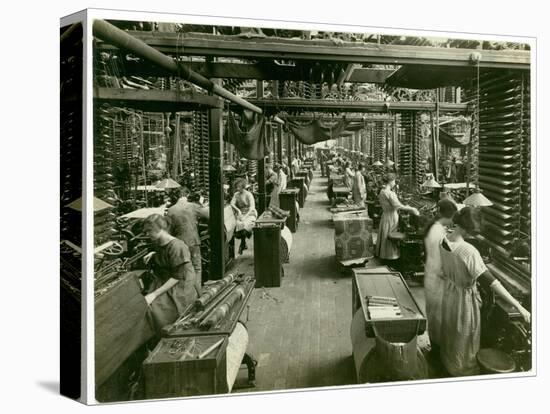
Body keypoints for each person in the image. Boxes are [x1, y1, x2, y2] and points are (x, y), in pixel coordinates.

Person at [438, 207, 530, 376]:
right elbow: (492, 283)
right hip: (463, 302)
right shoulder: (468, 251)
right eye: (474, 231)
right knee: (465, 339)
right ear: (469, 228)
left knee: (452, 333)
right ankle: (463, 372)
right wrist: (519, 306)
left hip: (450, 294)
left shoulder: (443, 240)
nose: (474, 235)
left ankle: (449, 364)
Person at [142, 214, 198, 331]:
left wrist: (154, 294)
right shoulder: (159, 242)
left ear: (161, 228)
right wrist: (154, 254)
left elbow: (177, 277)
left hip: (180, 285)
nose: (147, 234)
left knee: (154, 310)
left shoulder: (177, 247)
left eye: (149, 231)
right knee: (142, 301)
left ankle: (160, 336)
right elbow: (165, 253)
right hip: (166, 279)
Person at [423, 199, 458, 354]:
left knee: (434, 316)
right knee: (438, 317)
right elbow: (440, 260)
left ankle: (436, 348)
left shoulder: (435, 227)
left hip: (431, 274)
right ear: (450, 216)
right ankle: (437, 353)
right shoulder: (438, 232)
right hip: (436, 277)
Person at [166, 187, 209, 292]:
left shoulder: (171, 210)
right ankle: (198, 294)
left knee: (182, 270)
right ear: (187, 195)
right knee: (197, 268)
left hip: (179, 245)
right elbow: (209, 215)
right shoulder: (193, 206)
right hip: (193, 242)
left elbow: (168, 231)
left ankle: (186, 294)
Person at [375, 173, 419, 262]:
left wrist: (405, 205)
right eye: (394, 181)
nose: (394, 183)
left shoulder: (382, 191)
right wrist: (412, 209)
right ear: (391, 181)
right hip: (391, 216)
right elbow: (398, 206)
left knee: (385, 234)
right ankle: (390, 257)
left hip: (386, 215)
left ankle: (384, 255)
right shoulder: (389, 193)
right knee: (389, 235)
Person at [230, 178, 257, 254]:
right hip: (241, 213)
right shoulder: (236, 194)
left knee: (246, 225)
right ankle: (243, 243)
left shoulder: (249, 194)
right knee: (238, 225)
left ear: (243, 186)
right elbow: (232, 203)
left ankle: (242, 243)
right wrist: (238, 210)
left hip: (250, 213)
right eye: (236, 187)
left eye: (239, 187)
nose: (237, 188)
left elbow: (252, 208)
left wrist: (245, 217)